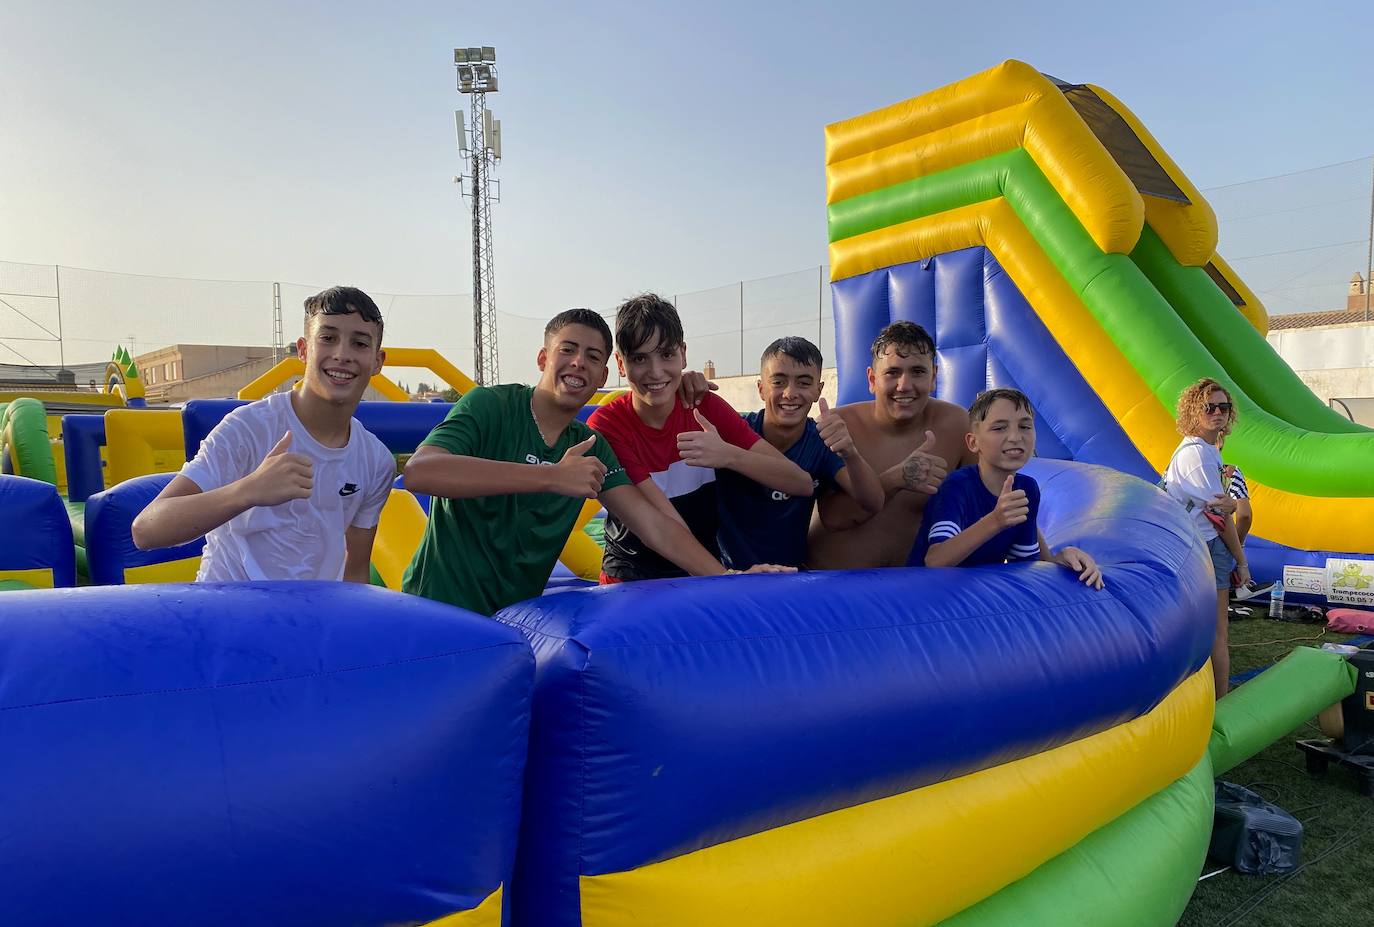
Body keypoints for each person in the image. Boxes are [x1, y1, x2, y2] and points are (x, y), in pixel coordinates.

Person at [401, 308, 791, 616]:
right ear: (542, 357)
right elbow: (421, 471)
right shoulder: (490, 405)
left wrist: (727, 579)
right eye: (567, 350)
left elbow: (654, 525)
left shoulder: (591, 445)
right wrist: (550, 477)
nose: (578, 364)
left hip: (513, 619)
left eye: (592, 357)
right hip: (436, 610)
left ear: (605, 372)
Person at [132, 286, 395, 582]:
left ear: (377, 361)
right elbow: (146, 529)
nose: (342, 354)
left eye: (359, 343)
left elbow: (357, 566)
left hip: (308, 621)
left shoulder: (376, 461)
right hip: (229, 615)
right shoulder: (248, 428)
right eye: (328, 338)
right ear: (304, 349)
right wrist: (249, 490)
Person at [589, 294, 813, 584]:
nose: (655, 372)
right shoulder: (608, 425)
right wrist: (728, 578)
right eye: (639, 358)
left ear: (683, 354)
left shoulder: (705, 407)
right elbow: (664, 527)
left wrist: (729, 455)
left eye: (666, 354)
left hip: (702, 569)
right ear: (620, 364)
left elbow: (800, 483)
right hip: (632, 577)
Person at [806, 321, 968, 569]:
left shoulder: (957, 425)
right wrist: (896, 479)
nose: (905, 385)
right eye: (892, 373)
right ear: (872, 379)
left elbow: (992, 499)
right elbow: (834, 518)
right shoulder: (840, 426)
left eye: (918, 372)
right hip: (833, 585)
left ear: (934, 376)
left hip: (911, 589)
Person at [714, 336, 883, 569]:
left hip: (791, 577)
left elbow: (873, 501)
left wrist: (850, 452)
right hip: (728, 576)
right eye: (779, 382)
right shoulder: (733, 431)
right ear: (762, 388)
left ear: (818, 390)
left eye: (803, 383)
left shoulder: (821, 441)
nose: (790, 393)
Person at [909, 388, 1103, 588]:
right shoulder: (957, 486)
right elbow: (935, 561)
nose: (1015, 437)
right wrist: (995, 520)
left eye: (1025, 426)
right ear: (973, 442)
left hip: (977, 596)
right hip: (927, 595)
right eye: (999, 428)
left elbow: (1027, 564)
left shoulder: (1027, 489)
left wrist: (1064, 557)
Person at [1162, 378, 1251, 699]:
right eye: (1208, 407)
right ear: (1193, 411)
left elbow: (1223, 509)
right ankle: (1219, 704)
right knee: (1217, 634)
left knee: (1210, 632)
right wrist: (1241, 561)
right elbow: (1219, 516)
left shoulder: (1204, 451)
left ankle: (1208, 699)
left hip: (1197, 545)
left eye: (1223, 407)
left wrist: (1226, 505)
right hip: (1203, 546)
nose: (1217, 413)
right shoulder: (1198, 454)